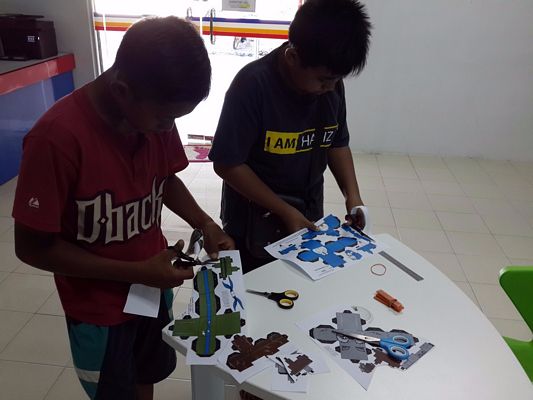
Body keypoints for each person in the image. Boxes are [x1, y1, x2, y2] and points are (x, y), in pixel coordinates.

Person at [12, 17, 234, 400]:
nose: (168, 128)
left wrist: (205, 222)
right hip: (98, 310)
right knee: (114, 391)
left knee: (146, 374)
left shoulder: (153, 115)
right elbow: (31, 247)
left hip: (150, 289)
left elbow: (165, 177)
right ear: (122, 90)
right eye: (164, 119)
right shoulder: (56, 139)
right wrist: (135, 272)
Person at [209, 0, 372, 273]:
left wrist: (353, 197)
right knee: (259, 285)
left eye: (336, 80)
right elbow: (227, 164)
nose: (330, 87)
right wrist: (283, 210)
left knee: (303, 283)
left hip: (307, 209)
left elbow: (337, 143)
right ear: (293, 57)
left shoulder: (330, 85)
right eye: (324, 80)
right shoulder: (252, 86)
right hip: (255, 218)